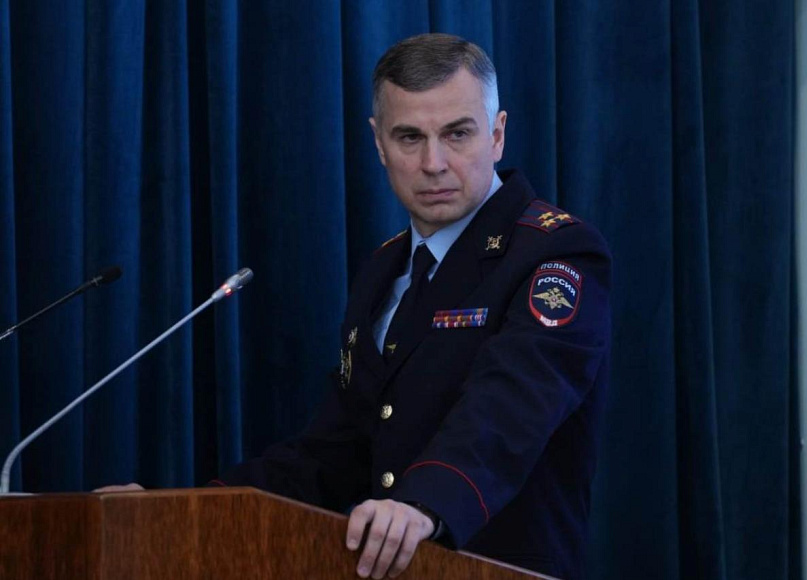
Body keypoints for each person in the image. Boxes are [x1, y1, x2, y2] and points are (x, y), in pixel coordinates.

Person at [100, 33, 611, 580]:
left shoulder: (555, 253)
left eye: (457, 134)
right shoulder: (385, 270)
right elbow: (337, 451)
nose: (433, 163)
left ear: (497, 135)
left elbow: (511, 407)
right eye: (409, 137)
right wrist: (182, 511)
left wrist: (423, 503)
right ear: (379, 145)